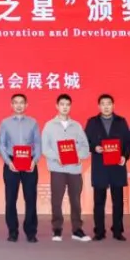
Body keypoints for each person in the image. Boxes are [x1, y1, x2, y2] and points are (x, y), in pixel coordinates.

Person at [41, 94, 91, 242]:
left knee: (75, 200)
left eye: (67, 105)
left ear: (70, 107)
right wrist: (58, 158)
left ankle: (77, 229)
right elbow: (45, 148)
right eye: (62, 104)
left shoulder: (76, 126)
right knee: (56, 200)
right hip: (57, 169)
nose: (64, 107)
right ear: (57, 106)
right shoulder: (49, 126)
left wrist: (78, 156)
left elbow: (85, 146)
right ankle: (57, 229)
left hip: (75, 169)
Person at [84, 94, 130, 241]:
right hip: (100, 166)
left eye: (109, 103)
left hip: (117, 166)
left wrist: (125, 156)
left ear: (113, 105)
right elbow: (85, 141)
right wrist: (94, 147)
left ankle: (117, 231)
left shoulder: (121, 121)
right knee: (99, 201)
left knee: (118, 201)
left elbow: (128, 142)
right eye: (103, 104)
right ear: (99, 106)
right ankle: (99, 231)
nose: (106, 106)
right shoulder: (92, 122)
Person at [0, 93, 41, 243]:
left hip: (29, 162)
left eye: (21, 102)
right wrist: (8, 162)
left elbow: (38, 143)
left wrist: (34, 160)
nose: (18, 105)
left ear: (26, 105)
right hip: (12, 162)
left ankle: (31, 231)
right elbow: (1, 144)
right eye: (15, 102)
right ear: (11, 105)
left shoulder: (33, 122)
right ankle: (13, 231)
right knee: (11, 199)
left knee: (31, 198)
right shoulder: (5, 123)